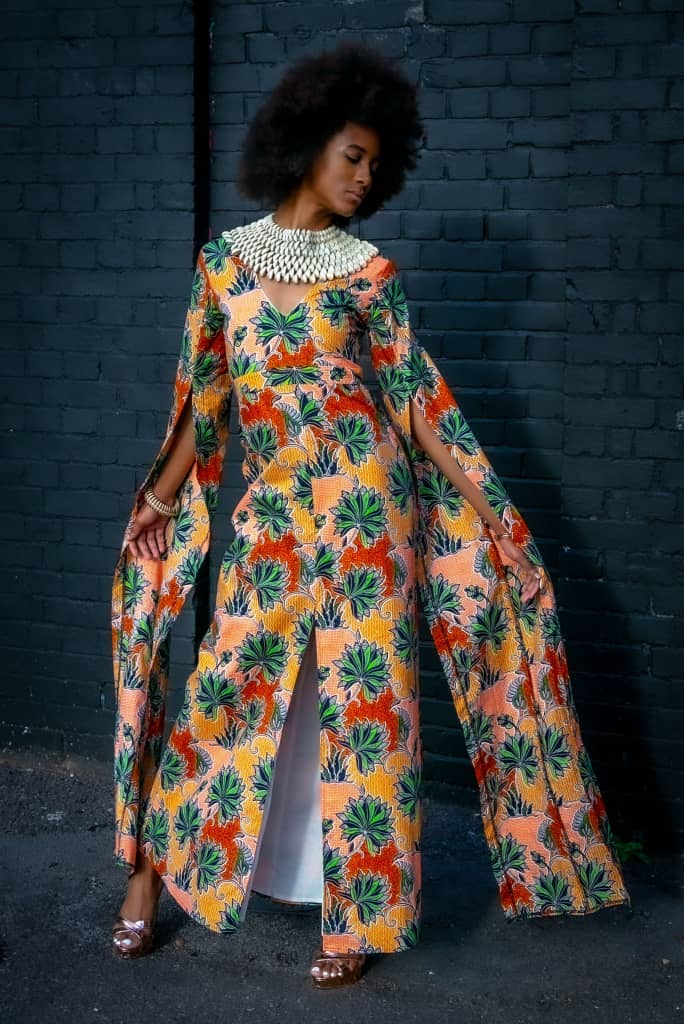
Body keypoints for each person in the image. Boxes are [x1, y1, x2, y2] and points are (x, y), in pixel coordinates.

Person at [110, 42, 631, 987]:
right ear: (305, 143)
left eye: (376, 165)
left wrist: (489, 511)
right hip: (272, 519)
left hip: (365, 517)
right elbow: (205, 402)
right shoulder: (223, 266)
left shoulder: (370, 274)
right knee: (227, 688)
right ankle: (150, 872)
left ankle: (358, 916)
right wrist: (156, 498)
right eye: (352, 155)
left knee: (366, 709)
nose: (364, 177)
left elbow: (417, 404)